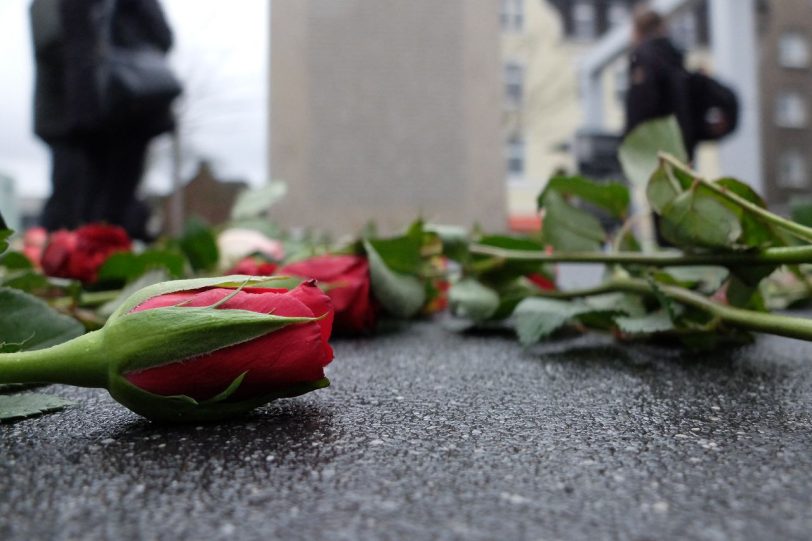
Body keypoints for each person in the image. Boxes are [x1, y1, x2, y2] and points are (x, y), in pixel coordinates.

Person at [30, 0, 177, 240]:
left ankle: (94, 259)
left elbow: (163, 36)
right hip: (101, 113)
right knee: (93, 205)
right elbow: (163, 36)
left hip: (104, 111)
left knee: (94, 204)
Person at [624, 7, 697, 160]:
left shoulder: (643, 58)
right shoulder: (675, 57)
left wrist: (631, 145)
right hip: (681, 147)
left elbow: (643, 105)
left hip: (654, 150)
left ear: (638, 30)